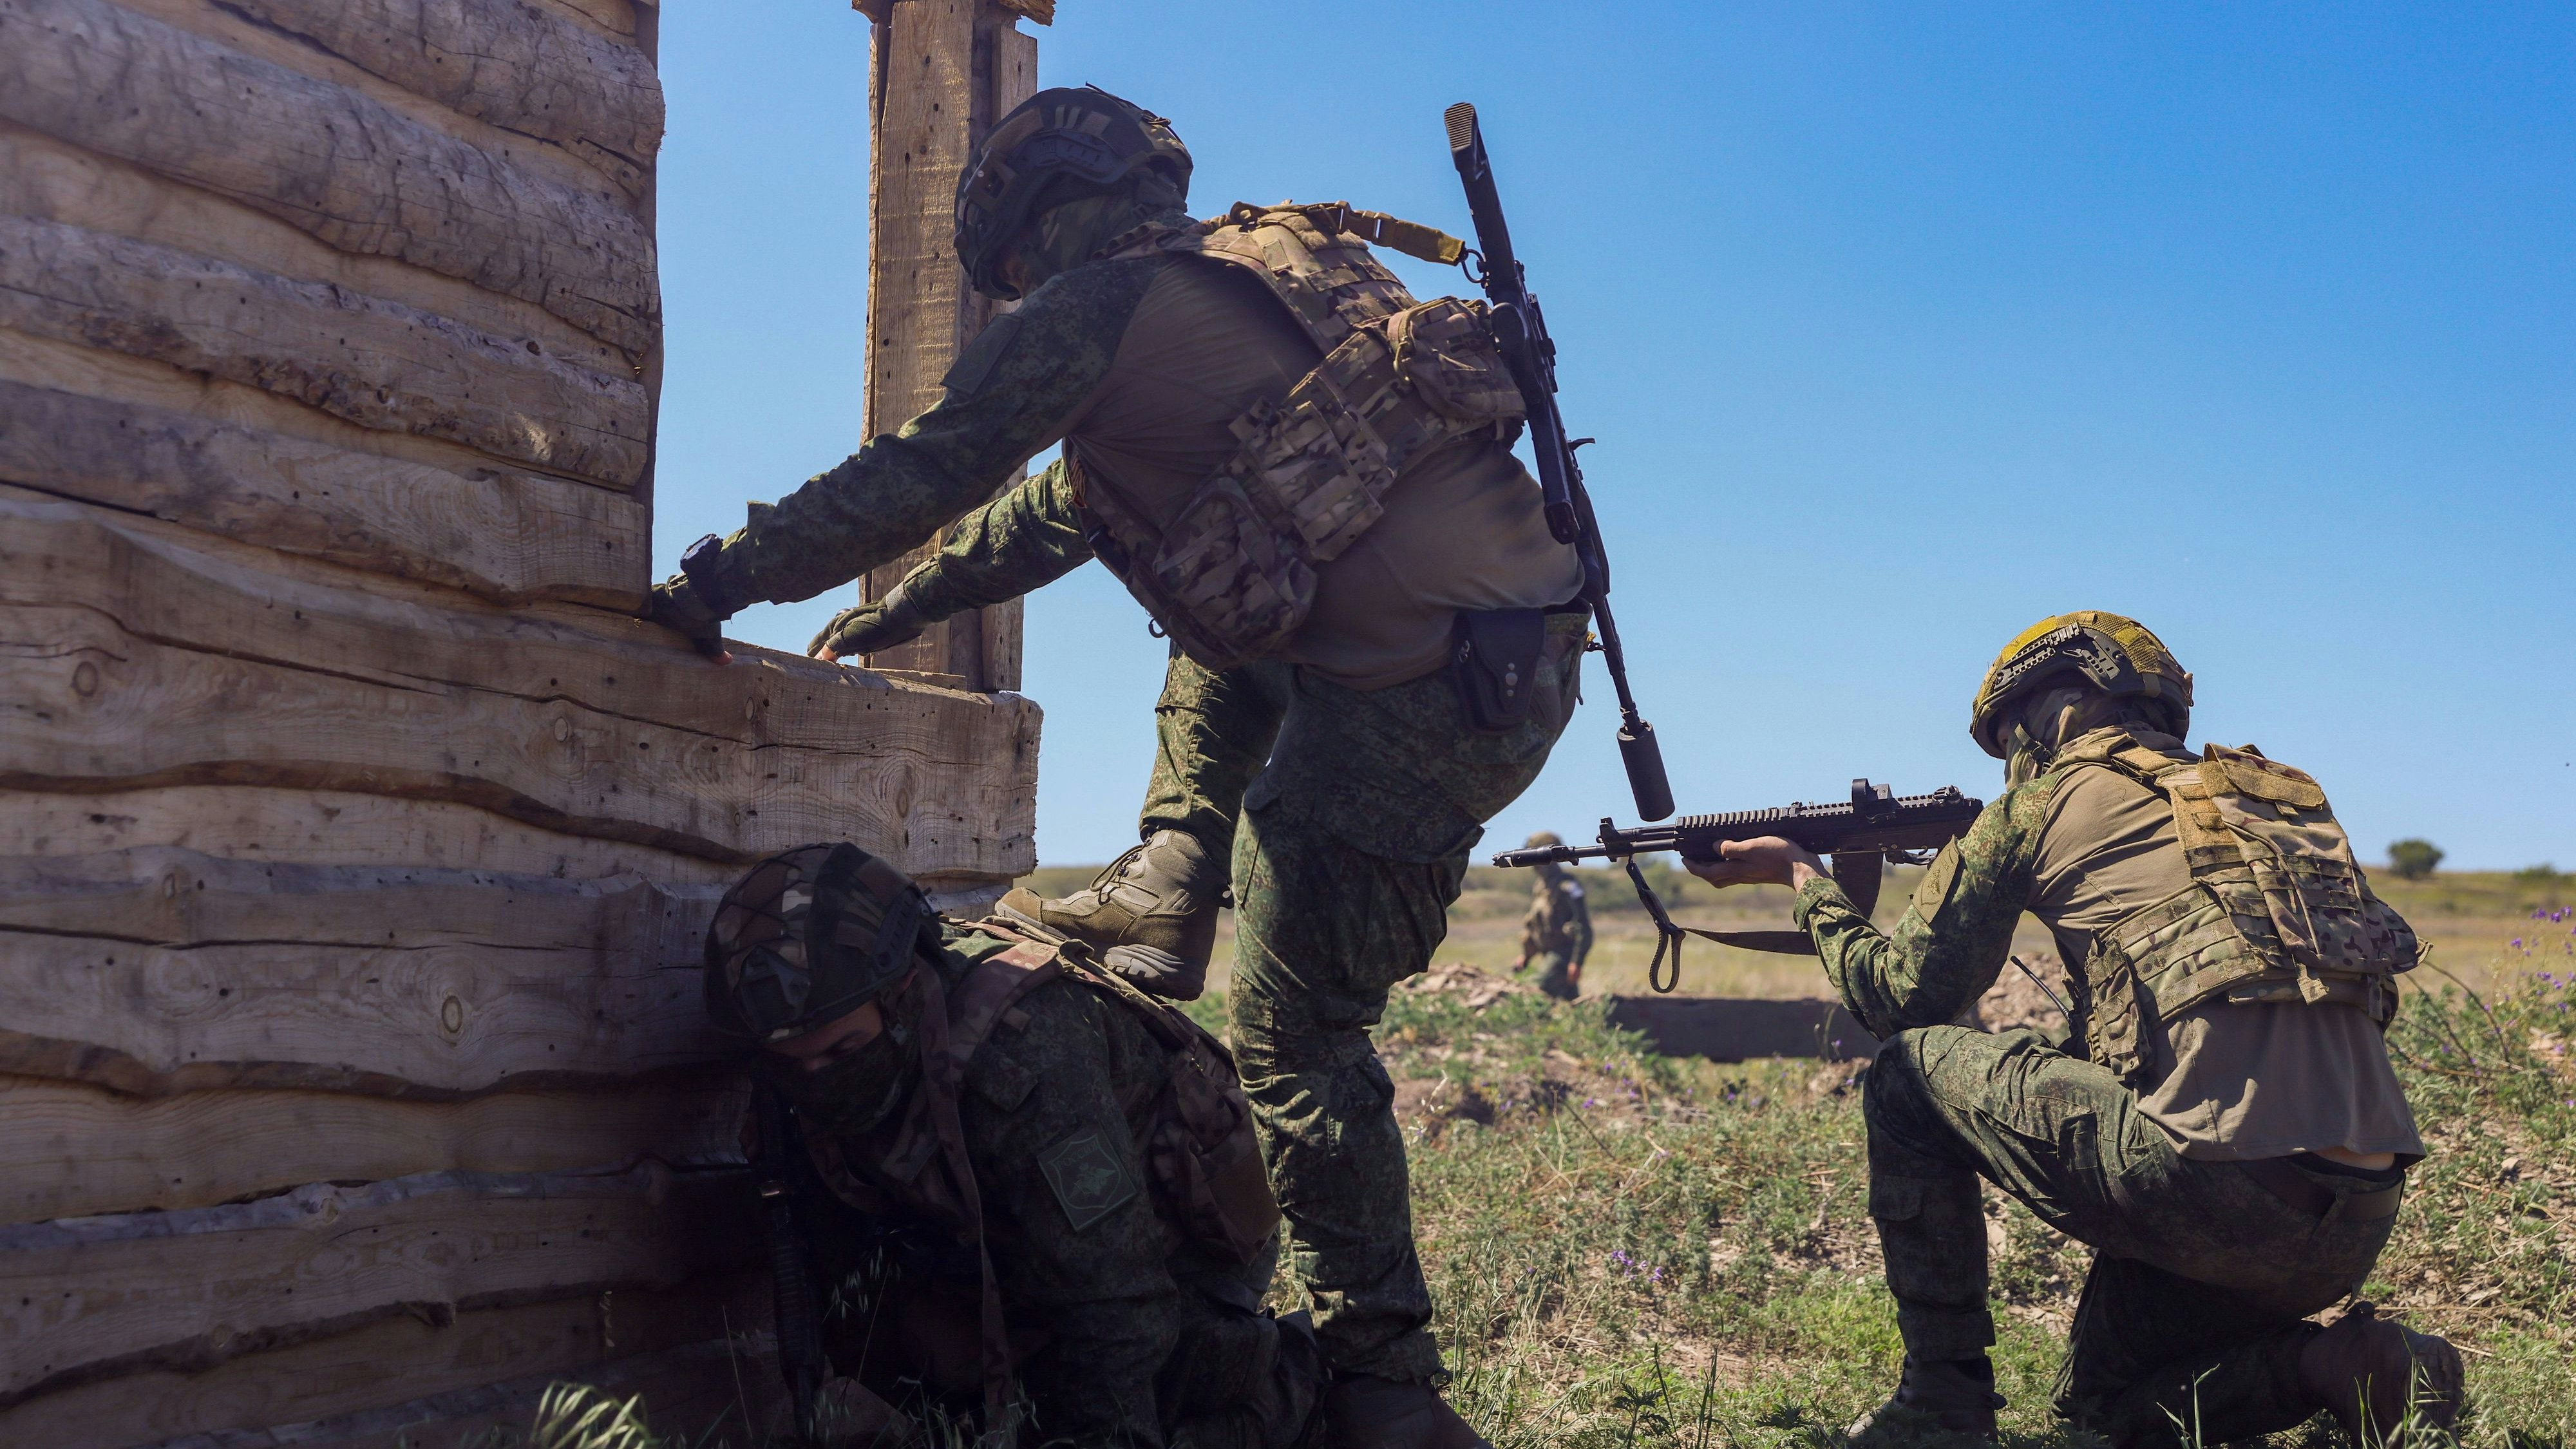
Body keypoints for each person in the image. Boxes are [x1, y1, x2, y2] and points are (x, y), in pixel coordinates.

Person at [652, 86, 1584, 1435]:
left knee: (1296, 1036)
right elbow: (1061, 512)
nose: (1017, 295)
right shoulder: (1264, 274)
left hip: (1419, 707)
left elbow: (929, 467)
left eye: (1014, 273)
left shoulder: (1093, 310)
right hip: (1511, 646)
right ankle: (1175, 867)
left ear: (1040, 231)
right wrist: (902, 609)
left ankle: (1383, 1390)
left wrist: (717, 584)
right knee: (1214, 570)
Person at [1682, 612, 2463, 1445]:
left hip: (2209, 1185)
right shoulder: (2271, 800)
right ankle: (2342, 1365)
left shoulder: (2038, 805)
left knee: (1909, 1073)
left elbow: (1899, 999)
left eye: (2010, 732)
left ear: (2055, 707)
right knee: (2107, 1415)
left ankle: (1941, 1401)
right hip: (2354, 1218)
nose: (2016, 752)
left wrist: (1802, 876)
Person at [705, 841, 1324, 1449]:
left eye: (843, 1052)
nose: (819, 1081)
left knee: (1165, 1386)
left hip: (1180, 1245)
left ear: (903, 994)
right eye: (796, 1066)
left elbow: (1121, 1299)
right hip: (1020, 1241)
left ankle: (1304, 1377)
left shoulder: (1025, 1053)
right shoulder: (799, 1067)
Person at [1513, 832, 1593, 1001]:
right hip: (1549, 955)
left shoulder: (1568, 885)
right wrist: (1526, 956)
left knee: (1536, 991)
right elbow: (1536, 925)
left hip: (1563, 955)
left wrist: (1576, 962)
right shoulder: (1540, 887)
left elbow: (1584, 927)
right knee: (1571, 1003)